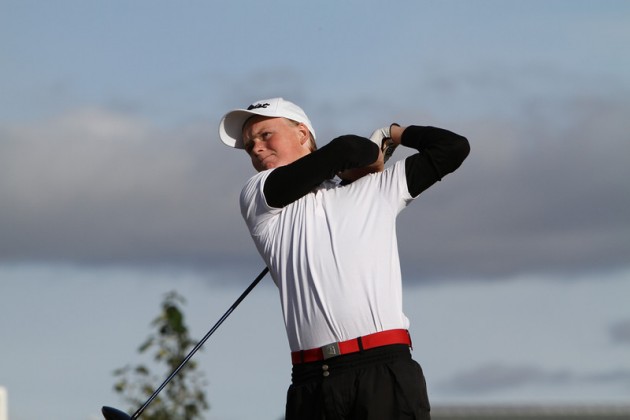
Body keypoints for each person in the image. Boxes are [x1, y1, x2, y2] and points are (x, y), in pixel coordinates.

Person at [219, 97, 470, 420]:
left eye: (266, 135)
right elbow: (346, 150)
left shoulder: (375, 188)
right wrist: (371, 157)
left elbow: (453, 148)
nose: (255, 148)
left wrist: (393, 133)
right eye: (249, 144)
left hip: (383, 368)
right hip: (312, 380)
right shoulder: (258, 194)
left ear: (302, 134)